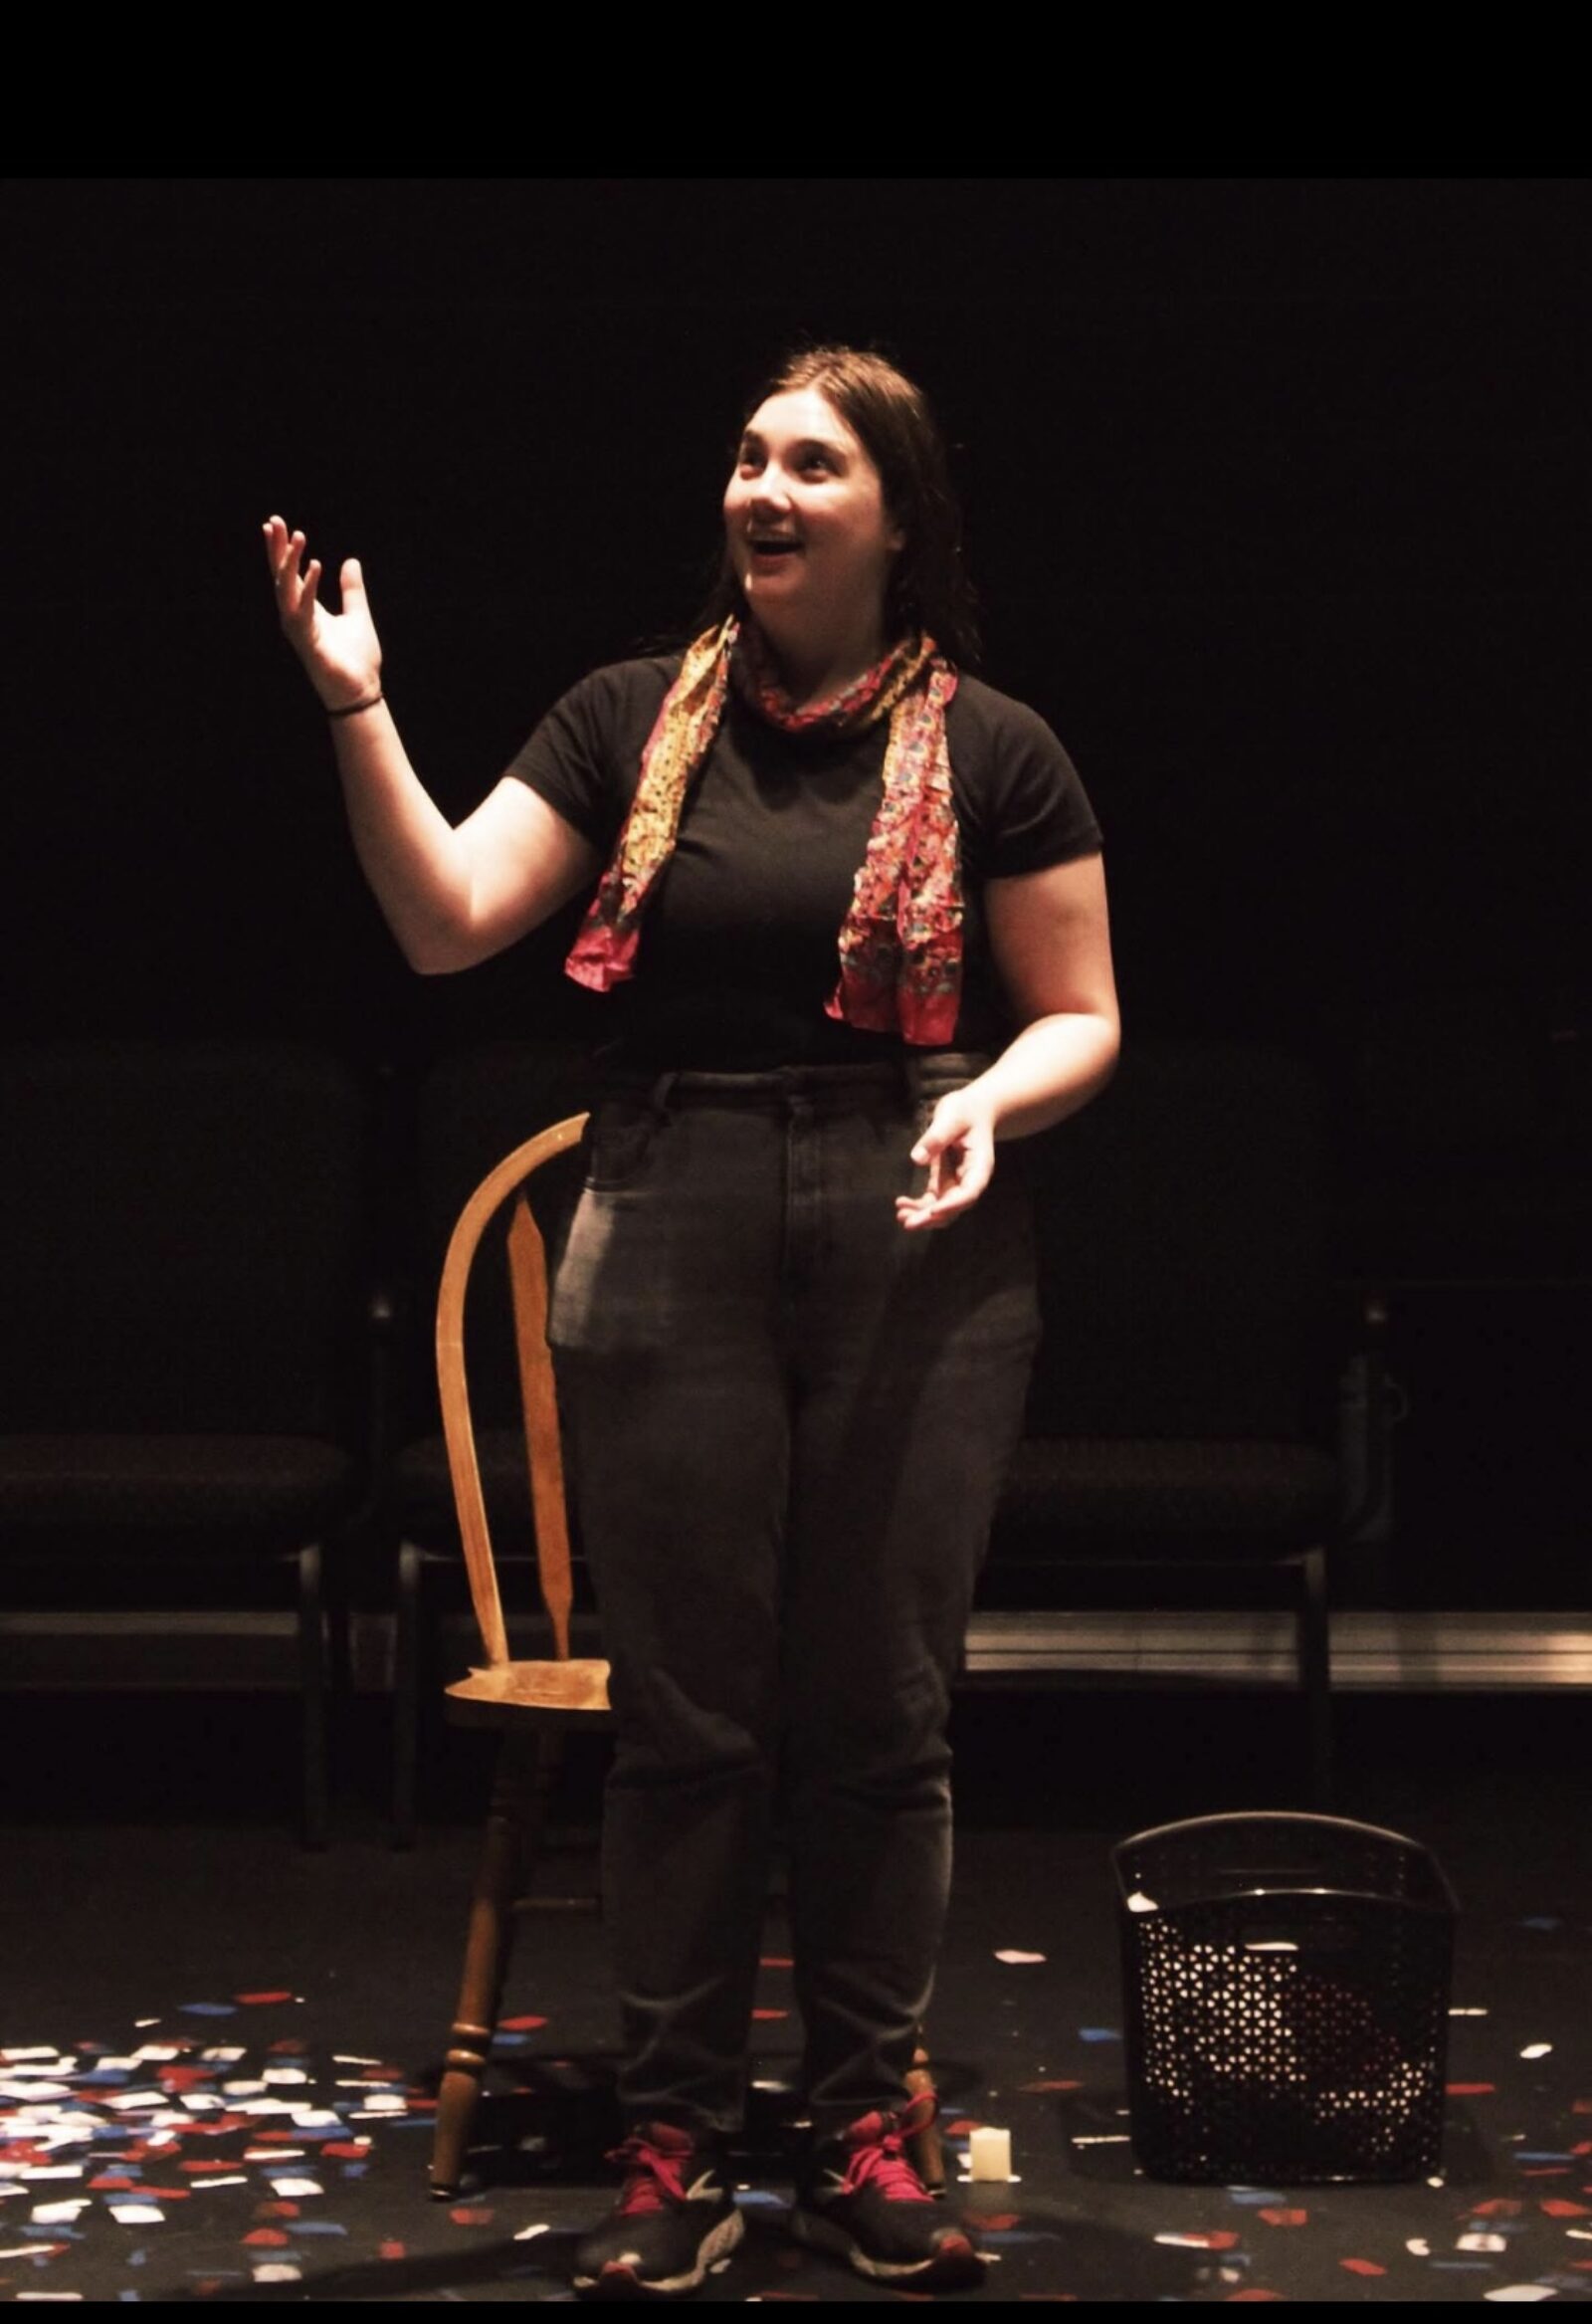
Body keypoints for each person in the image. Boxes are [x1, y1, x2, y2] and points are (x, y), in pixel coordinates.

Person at [264, 343, 1119, 2301]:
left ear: (894, 519)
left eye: (810, 465)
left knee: (876, 1714)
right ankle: (676, 2133)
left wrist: (989, 1092)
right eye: (745, 457)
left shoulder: (996, 746)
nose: (763, 490)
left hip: (915, 1202)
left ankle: (862, 2123)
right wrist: (359, 709)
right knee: (688, 1723)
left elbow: (1078, 1008)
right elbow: (446, 916)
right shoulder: (622, 718)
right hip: (672, 1201)